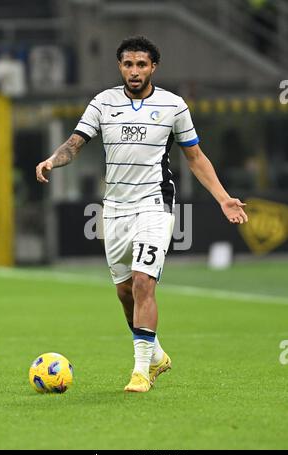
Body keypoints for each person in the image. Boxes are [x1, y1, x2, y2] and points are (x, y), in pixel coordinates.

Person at [36, 36, 248, 393]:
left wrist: (223, 198)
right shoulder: (103, 103)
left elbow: (195, 157)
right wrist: (52, 161)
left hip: (154, 203)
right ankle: (156, 355)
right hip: (115, 208)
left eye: (141, 65)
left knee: (142, 281)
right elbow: (76, 142)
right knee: (124, 292)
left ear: (154, 67)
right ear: (120, 66)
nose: (134, 71)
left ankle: (139, 372)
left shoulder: (173, 106)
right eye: (128, 64)